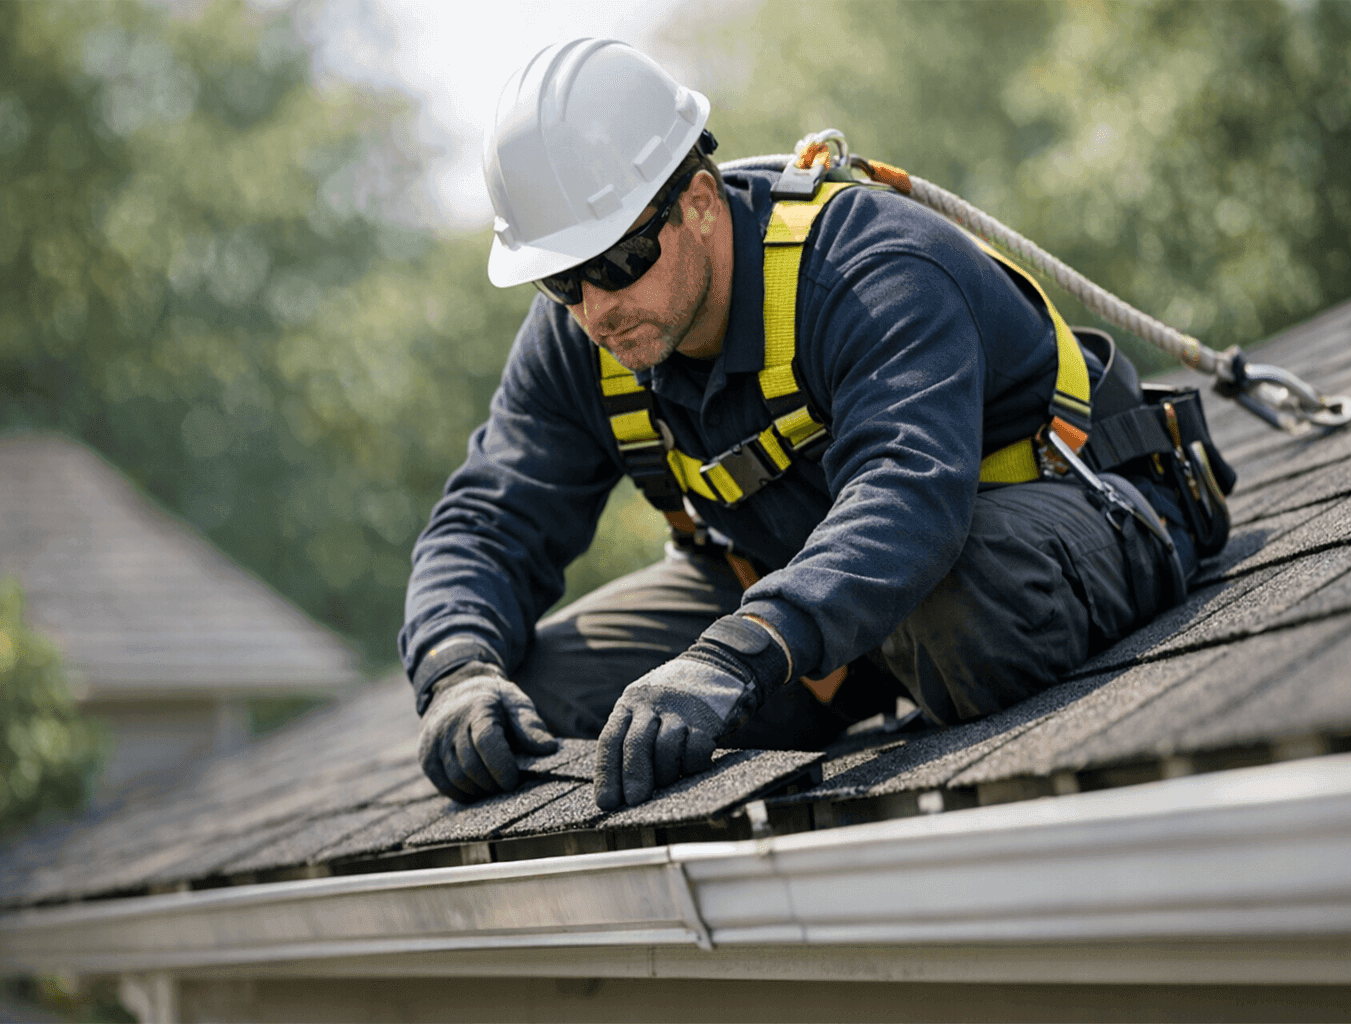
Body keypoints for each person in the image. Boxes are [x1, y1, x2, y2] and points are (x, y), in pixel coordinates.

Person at [400, 38, 1195, 812]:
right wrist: (454, 667)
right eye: (560, 281)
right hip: (825, 595)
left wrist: (738, 653)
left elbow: (909, 495)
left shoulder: (871, 268)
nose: (596, 309)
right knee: (534, 702)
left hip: (1046, 524)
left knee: (960, 599)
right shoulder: (579, 338)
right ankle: (833, 665)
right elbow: (488, 519)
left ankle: (830, 653)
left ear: (700, 204)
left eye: (617, 262)